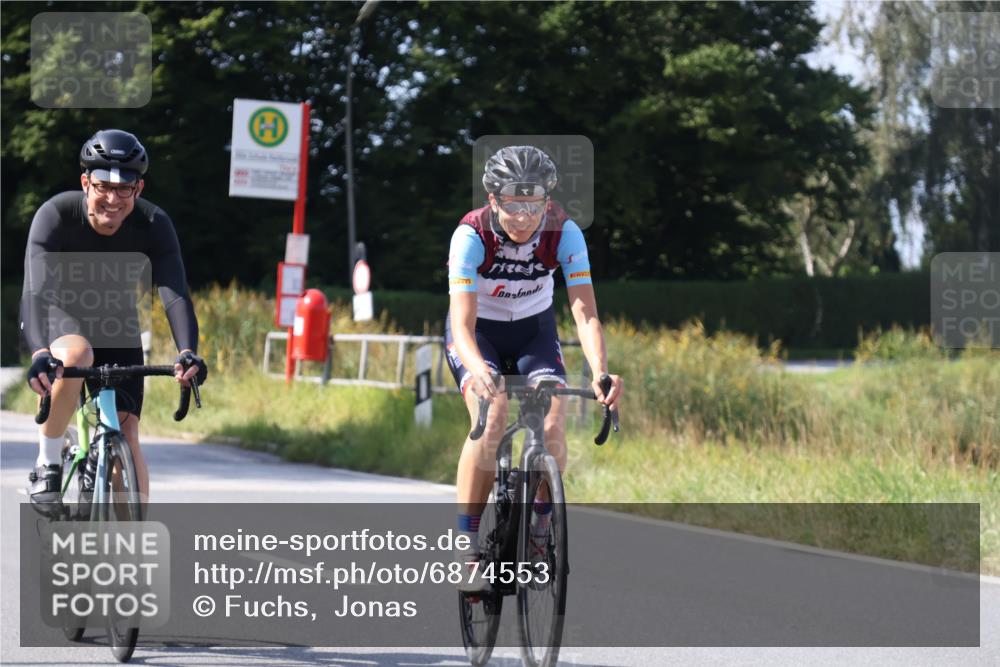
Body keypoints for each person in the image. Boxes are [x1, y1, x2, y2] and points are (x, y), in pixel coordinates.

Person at [445, 145, 623, 590]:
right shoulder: (470, 235)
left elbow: (585, 313)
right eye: (512, 204)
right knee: (492, 417)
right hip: (478, 333)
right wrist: (480, 373)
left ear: (548, 200)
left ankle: (541, 529)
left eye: (534, 204)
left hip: (533, 332)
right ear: (493, 200)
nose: (524, 217)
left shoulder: (565, 232)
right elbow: (462, 326)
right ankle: (465, 548)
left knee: (554, 418)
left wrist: (601, 370)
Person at [21, 129, 207, 510]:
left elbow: (173, 292)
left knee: (128, 431)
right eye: (103, 186)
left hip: (117, 323)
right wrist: (40, 351)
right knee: (77, 355)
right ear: (85, 182)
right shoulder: (56, 215)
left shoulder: (154, 223)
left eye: (124, 190)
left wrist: (188, 351)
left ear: (138, 189)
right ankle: (48, 462)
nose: (112, 199)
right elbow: (34, 293)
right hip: (62, 315)